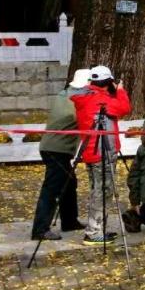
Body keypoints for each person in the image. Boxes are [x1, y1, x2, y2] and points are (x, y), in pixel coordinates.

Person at [71, 65, 132, 246]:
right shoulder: (102, 99)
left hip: (90, 151)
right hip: (102, 152)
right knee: (102, 192)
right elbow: (124, 108)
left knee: (97, 189)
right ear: (108, 83)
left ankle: (98, 228)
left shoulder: (84, 97)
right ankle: (94, 231)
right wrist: (120, 90)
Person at [30, 69, 91, 241]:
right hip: (57, 149)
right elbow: (86, 119)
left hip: (52, 147)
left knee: (69, 182)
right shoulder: (76, 101)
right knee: (51, 190)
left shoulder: (63, 95)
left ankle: (69, 220)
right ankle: (40, 229)